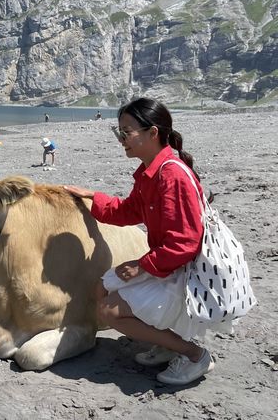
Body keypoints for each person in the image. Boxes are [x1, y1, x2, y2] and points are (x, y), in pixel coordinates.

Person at [63, 97, 219, 386]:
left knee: (109, 311)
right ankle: (167, 342)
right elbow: (128, 210)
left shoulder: (171, 174)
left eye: (127, 132)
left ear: (152, 133)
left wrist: (142, 266)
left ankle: (194, 354)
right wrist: (92, 197)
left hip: (185, 273)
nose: (121, 139)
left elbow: (185, 243)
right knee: (102, 288)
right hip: (167, 265)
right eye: (118, 132)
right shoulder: (152, 171)